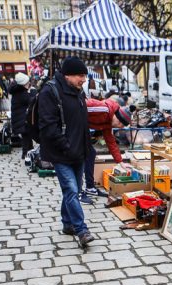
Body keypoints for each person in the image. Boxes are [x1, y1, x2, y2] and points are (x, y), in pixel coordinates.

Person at [38, 56, 96, 248]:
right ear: (68, 75)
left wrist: (87, 146)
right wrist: (65, 145)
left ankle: (66, 224)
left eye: (85, 76)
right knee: (71, 190)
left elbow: (81, 121)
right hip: (61, 153)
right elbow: (48, 125)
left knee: (73, 190)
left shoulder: (78, 91)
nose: (84, 79)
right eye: (81, 75)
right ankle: (81, 230)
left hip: (79, 151)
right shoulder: (50, 91)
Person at [82, 98, 132, 203]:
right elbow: (80, 105)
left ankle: (90, 188)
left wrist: (121, 162)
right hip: (74, 126)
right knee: (80, 155)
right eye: (121, 125)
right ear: (117, 119)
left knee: (91, 153)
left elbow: (111, 142)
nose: (120, 127)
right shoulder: (103, 109)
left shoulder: (108, 122)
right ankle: (77, 193)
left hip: (82, 128)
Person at [9, 72, 33, 158]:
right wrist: (32, 94)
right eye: (27, 82)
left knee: (27, 135)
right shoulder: (22, 93)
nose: (29, 83)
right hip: (22, 118)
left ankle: (29, 151)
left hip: (19, 117)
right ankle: (25, 153)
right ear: (23, 84)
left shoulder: (17, 91)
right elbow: (30, 101)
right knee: (26, 135)